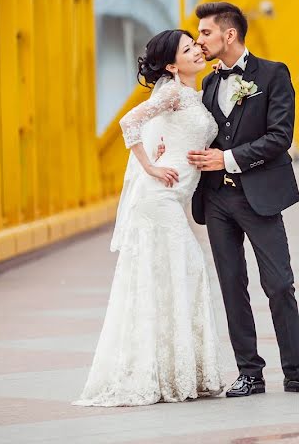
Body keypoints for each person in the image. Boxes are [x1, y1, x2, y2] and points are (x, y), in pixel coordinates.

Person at [187, 2, 299, 397]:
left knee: (279, 283)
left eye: (204, 33)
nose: (199, 40)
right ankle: (249, 373)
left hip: (260, 196)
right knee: (232, 286)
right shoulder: (208, 84)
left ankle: (297, 371)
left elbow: (280, 137)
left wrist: (229, 159)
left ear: (228, 35)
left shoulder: (272, 74)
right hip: (216, 199)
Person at [74, 30, 224, 407]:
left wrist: (162, 148)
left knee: (174, 276)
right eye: (187, 49)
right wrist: (150, 167)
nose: (196, 51)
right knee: (183, 271)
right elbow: (129, 122)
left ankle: (175, 370)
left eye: (195, 45)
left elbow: (171, 133)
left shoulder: (192, 94)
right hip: (158, 197)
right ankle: (164, 373)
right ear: (172, 65)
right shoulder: (172, 91)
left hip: (173, 198)